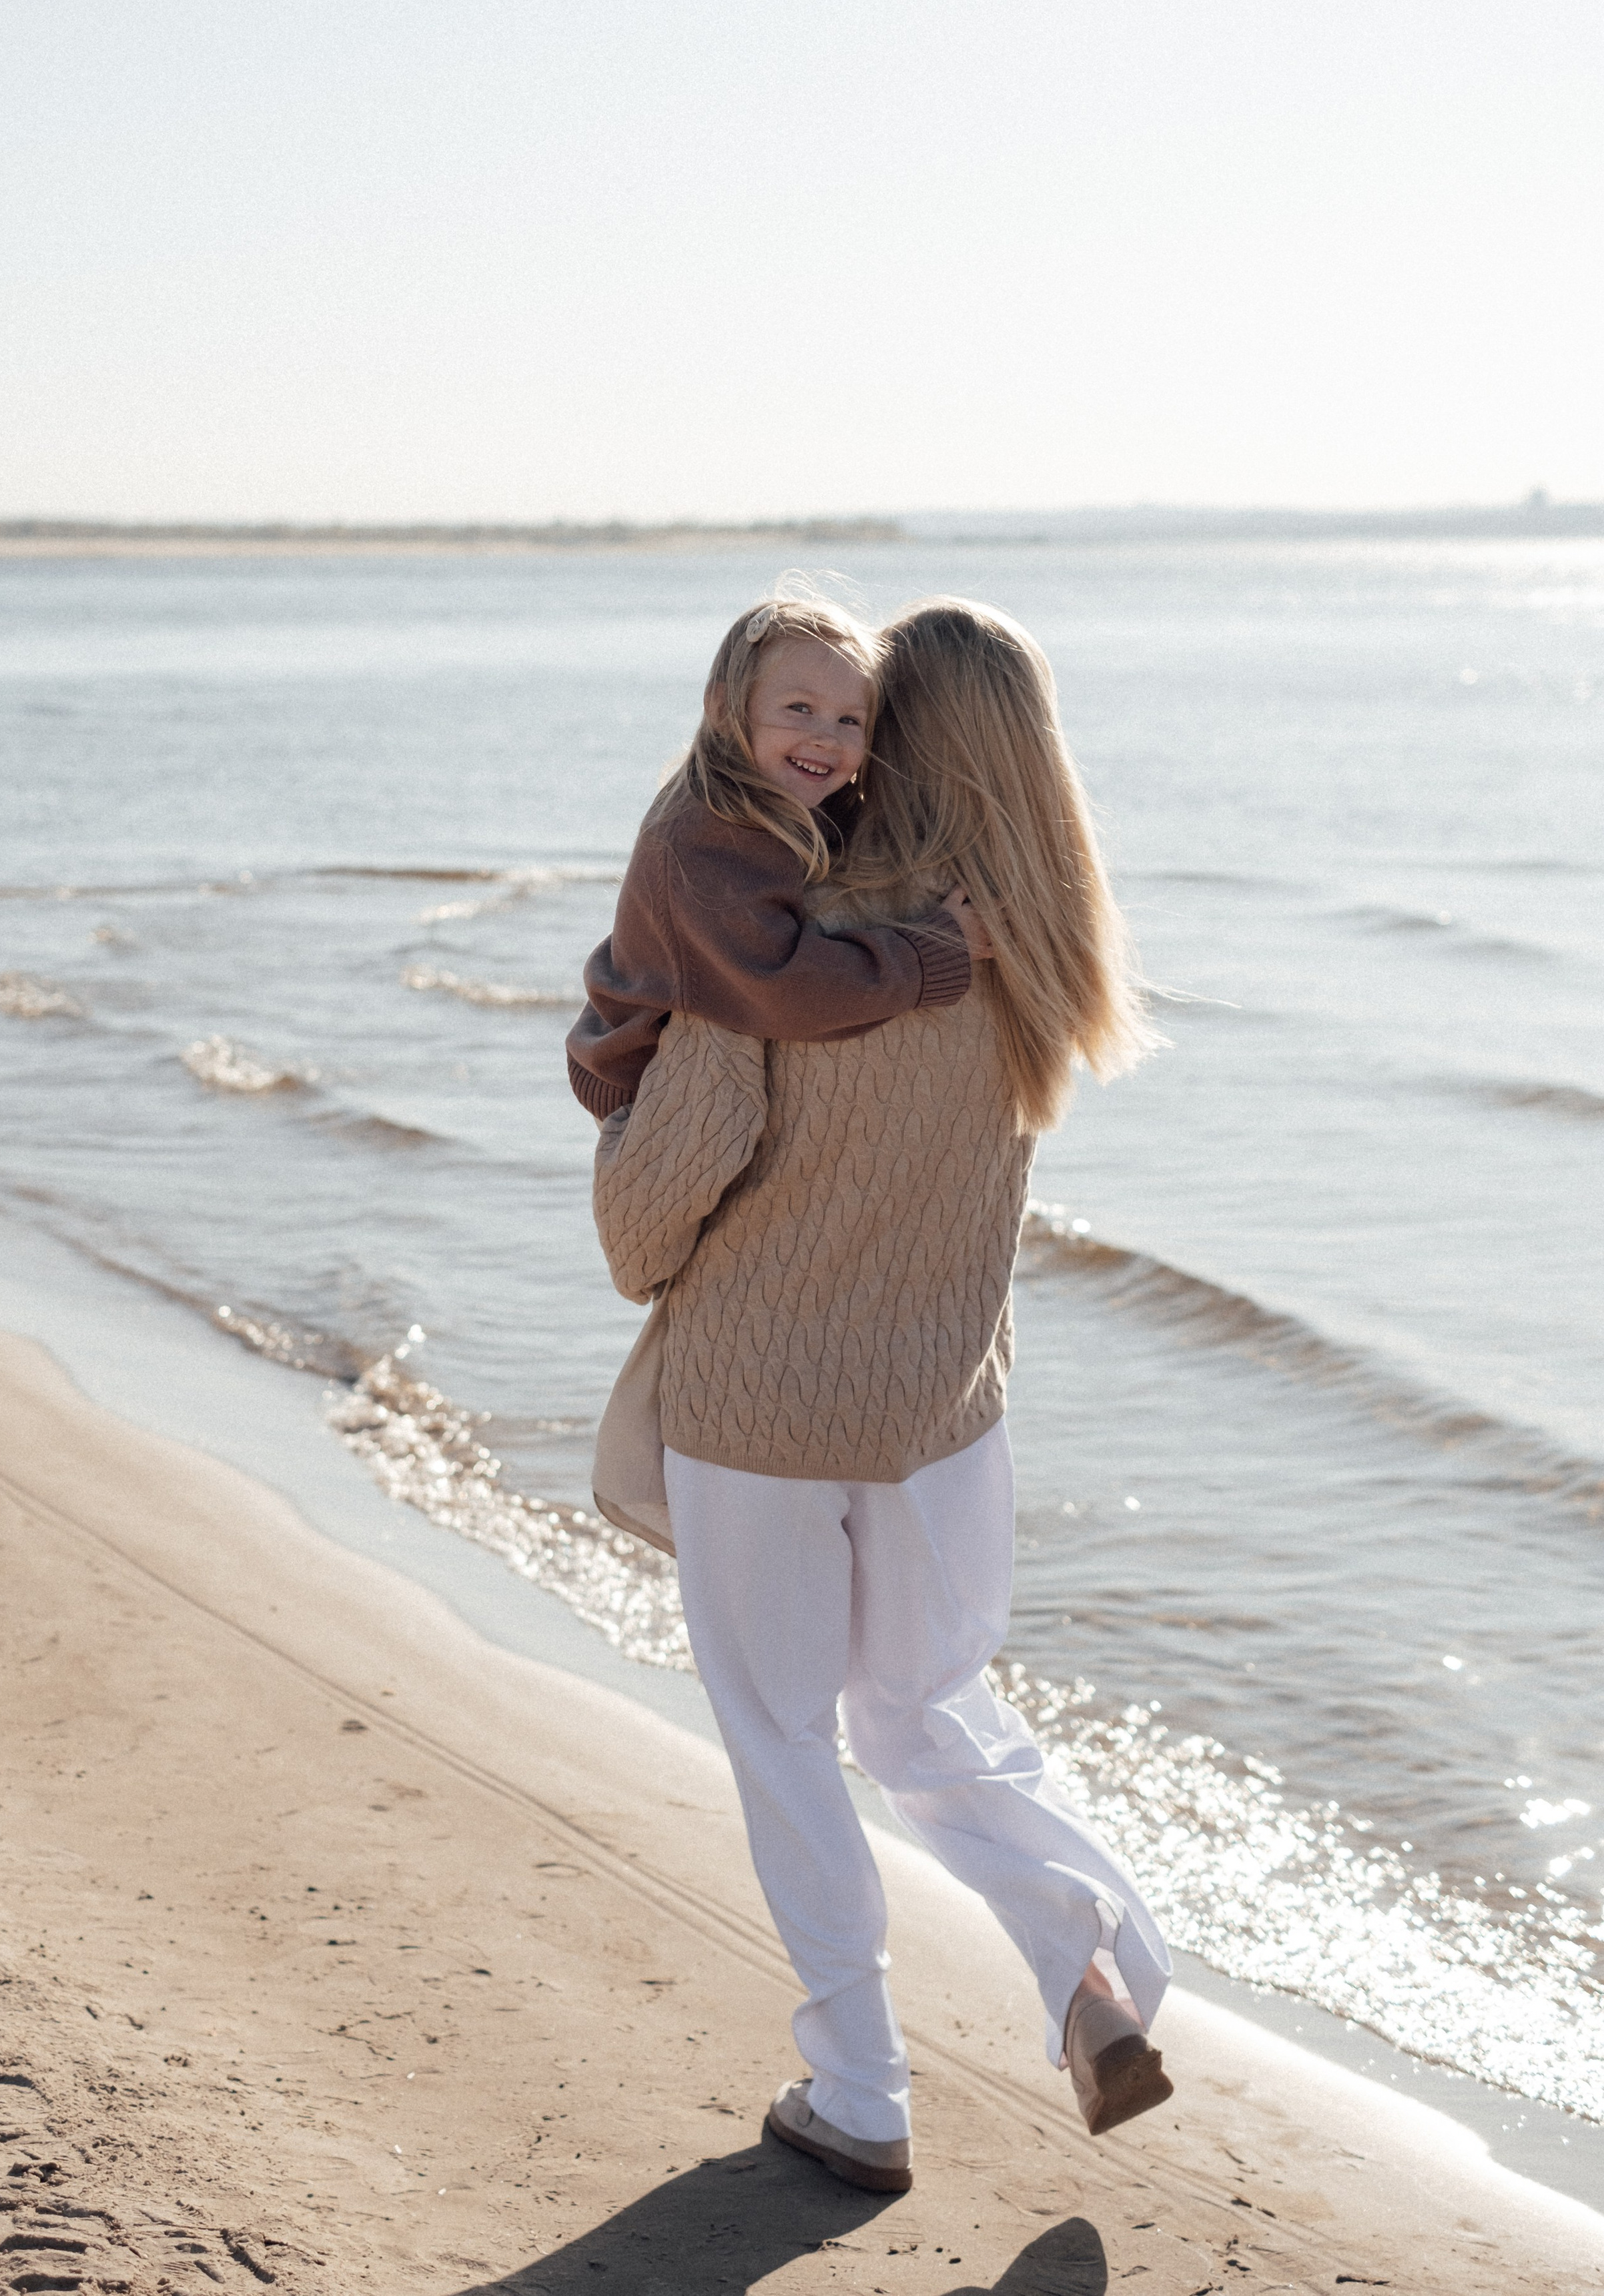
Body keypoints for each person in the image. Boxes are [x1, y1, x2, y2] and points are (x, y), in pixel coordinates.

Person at [590, 598, 1172, 2197]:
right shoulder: (1035, 951)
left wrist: (615, 1109)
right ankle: (1097, 1962)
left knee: (785, 1738)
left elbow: (646, 1229)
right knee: (924, 1716)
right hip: (942, 1416)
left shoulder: (794, 939)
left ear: (893, 730)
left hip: (763, 1408)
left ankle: (858, 2092)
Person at [564, 580, 985, 1122]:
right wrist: (934, 949)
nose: (826, 738)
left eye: (849, 721)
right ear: (725, 708)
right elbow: (786, 990)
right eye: (800, 708)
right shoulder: (708, 840)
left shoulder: (774, 789)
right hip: (640, 1074)